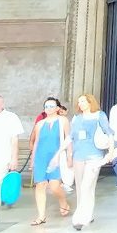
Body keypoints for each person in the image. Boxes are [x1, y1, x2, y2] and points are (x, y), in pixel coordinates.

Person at [68, 93, 114, 230]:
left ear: (90, 102)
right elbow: (71, 137)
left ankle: (81, 217)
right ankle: (86, 212)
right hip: (78, 154)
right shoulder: (77, 118)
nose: (80, 104)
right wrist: (67, 153)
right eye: (79, 102)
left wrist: (111, 152)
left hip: (94, 155)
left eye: (83, 101)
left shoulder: (99, 115)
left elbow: (109, 133)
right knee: (80, 186)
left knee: (87, 186)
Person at [29, 96, 70, 224]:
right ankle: (41, 216)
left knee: (54, 186)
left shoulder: (63, 120)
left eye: (52, 106)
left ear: (57, 108)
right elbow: (36, 142)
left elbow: (69, 139)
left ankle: (63, 201)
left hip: (56, 156)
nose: (49, 108)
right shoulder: (40, 124)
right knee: (40, 185)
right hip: (41, 157)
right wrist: (32, 159)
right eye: (46, 106)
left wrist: (70, 156)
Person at [0, 95, 23, 224]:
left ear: (2, 104)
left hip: (2, 158)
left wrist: (14, 158)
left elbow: (14, 140)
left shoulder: (11, 118)